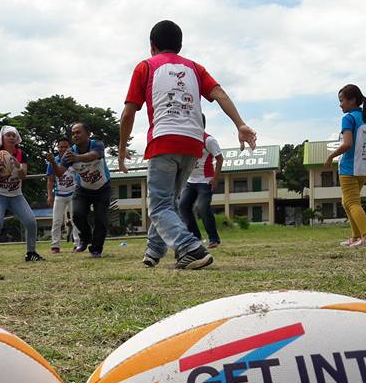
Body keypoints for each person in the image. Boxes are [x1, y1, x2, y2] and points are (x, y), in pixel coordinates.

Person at [119, 19, 256, 270]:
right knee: (168, 201)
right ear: (180, 46)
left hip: (164, 140)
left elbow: (128, 114)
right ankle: (154, 250)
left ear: (152, 45)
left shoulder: (145, 67)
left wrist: (121, 149)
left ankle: (189, 248)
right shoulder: (195, 68)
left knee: (159, 204)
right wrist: (240, 124)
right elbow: (220, 94)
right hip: (193, 142)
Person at [324, 84, 366, 247]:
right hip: (363, 169)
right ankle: (355, 237)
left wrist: (331, 156)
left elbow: (347, 144)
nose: (340, 104)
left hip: (348, 168)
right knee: (347, 202)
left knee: (352, 202)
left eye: (342, 100)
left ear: (352, 100)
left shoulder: (348, 118)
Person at [0, 125, 43, 264]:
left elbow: (23, 176)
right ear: (2, 138)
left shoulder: (21, 154)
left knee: (30, 221)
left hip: (16, 194)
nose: (11, 137)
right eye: (8, 135)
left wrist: (16, 164)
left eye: (14, 135)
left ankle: (31, 253)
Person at [61, 122, 111, 258]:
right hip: (82, 189)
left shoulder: (97, 144)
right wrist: (53, 163)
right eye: (73, 133)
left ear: (88, 134)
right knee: (77, 215)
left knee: (101, 219)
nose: (75, 135)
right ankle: (85, 238)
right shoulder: (70, 152)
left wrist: (76, 158)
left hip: (102, 187)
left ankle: (96, 249)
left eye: (78, 132)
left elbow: (95, 155)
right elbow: (60, 172)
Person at [178, 115, 223, 249]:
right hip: (190, 181)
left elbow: (220, 159)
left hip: (206, 180)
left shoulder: (208, 140)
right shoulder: (187, 139)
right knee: (183, 205)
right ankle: (195, 237)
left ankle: (213, 238)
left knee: (202, 207)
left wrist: (215, 178)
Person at [45, 137, 78, 253]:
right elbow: (50, 180)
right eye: (61, 147)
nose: (63, 149)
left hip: (73, 194)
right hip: (59, 194)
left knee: (76, 220)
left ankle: (77, 244)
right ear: (57, 148)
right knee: (57, 221)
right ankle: (55, 246)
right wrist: (50, 195)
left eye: (66, 147)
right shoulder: (53, 161)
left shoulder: (74, 159)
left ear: (70, 148)